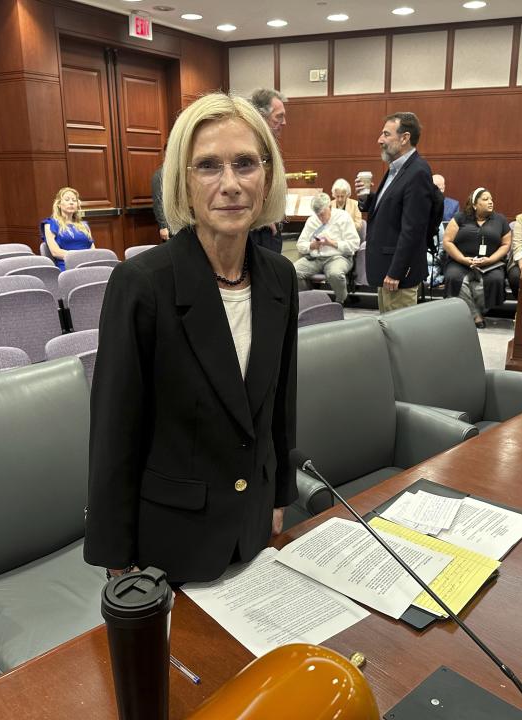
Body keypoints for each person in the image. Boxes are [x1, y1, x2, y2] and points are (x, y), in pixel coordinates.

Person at [84, 93, 298, 585]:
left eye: (245, 163)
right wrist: (117, 556)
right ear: (183, 179)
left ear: (266, 176)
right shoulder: (141, 284)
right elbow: (115, 431)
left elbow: (280, 405)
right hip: (171, 541)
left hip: (253, 526)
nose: (230, 184)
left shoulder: (280, 277)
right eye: (208, 166)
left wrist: (280, 494)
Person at [355, 112, 442, 313]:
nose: (380, 140)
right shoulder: (396, 169)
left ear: (405, 138)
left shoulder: (417, 171)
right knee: (387, 328)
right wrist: (366, 198)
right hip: (388, 269)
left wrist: (396, 272)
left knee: (400, 336)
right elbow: (393, 207)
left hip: (398, 274)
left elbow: (413, 229)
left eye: (386, 134)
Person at [442, 187, 511, 328]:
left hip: (491, 263)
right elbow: (447, 242)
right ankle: (475, 315)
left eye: (491, 199)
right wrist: (463, 259)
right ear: (474, 204)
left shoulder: (500, 220)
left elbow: (506, 244)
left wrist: (490, 259)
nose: (490, 202)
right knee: (454, 278)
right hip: (460, 262)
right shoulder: (460, 218)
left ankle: (474, 312)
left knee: (495, 280)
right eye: (485, 199)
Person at [293, 193, 360, 304]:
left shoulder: (343, 217)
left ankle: (341, 300)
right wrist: (312, 245)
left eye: (323, 214)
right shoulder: (312, 220)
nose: (320, 218)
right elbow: (300, 245)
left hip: (338, 257)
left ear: (330, 207)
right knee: (292, 271)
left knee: (335, 274)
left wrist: (332, 243)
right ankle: (309, 298)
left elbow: (354, 244)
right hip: (315, 258)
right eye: (318, 215)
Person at [249, 88, 288, 253]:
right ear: (262, 116)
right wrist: (261, 213)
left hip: (269, 224)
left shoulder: (267, 144)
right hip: (259, 228)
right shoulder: (250, 146)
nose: (284, 122)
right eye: (279, 116)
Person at [40, 187, 94, 270]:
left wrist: (88, 259)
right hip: (68, 266)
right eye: (67, 199)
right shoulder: (50, 224)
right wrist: (81, 257)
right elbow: (55, 252)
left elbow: (93, 249)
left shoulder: (84, 226)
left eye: (74, 200)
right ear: (59, 204)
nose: (71, 202)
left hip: (88, 263)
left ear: (77, 205)